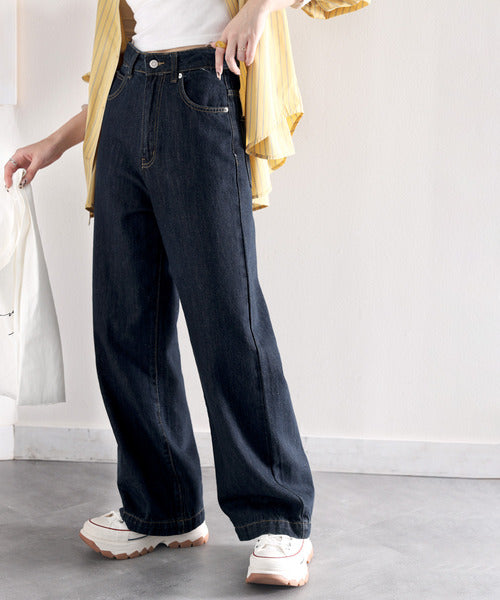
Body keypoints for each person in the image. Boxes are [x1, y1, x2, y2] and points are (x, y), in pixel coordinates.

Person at [4, 0, 370, 587]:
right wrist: (54, 142)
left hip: (204, 91)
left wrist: (259, 9)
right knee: (125, 326)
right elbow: (129, 45)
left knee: (228, 320)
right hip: (126, 100)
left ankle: (278, 515)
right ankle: (161, 508)